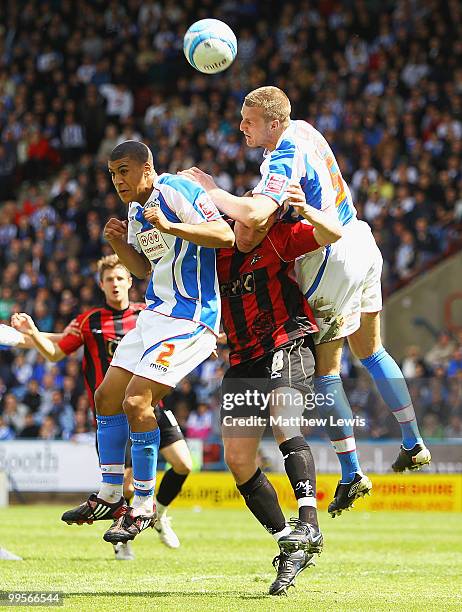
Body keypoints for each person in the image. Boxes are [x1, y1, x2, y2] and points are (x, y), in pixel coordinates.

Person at [181, 85, 431, 517]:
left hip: (327, 253)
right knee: (371, 351)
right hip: (359, 238)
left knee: (325, 369)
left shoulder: (284, 152)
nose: (240, 127)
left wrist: (211, 191)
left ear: (274, 123)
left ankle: (352, 473)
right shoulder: (305, 130)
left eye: (249, 120)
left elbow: (256, 218)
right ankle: (413, 441)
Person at [58, 140, 233, 546]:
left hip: (191, 317)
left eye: (124, 170)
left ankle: (142, 505)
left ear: (147, 167)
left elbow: (224, 234)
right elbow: (142, 268)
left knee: (137, 402)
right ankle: (107, 494)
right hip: (153, 315)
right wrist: (119, 244)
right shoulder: (136, 211)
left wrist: (171, 226)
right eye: (112, 173)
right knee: (106, 398)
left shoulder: (176, 190)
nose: (118, 180)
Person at [7, 254, 193, 559]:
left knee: (184, 464)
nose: (116, 284)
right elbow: (55, 352)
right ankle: (124, 540)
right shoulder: (89, 321)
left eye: (121, 278)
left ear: (130, 281)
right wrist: (33, 332)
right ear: (101, 284)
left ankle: (158, 514)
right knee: (127, 484)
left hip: (149, 404)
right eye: (110, 279)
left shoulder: (148, 315)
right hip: (115, 414)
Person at [217, 191, 342, 595]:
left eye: (258, 222)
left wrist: (307, 211)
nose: (249, 229)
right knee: (237, 460)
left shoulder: (280, 237)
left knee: (285, 422)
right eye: (243, 220)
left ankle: (309, 522)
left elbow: (332, 233)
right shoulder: (214, 249)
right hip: (242, 361)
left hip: (285, 342)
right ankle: (288, 540)